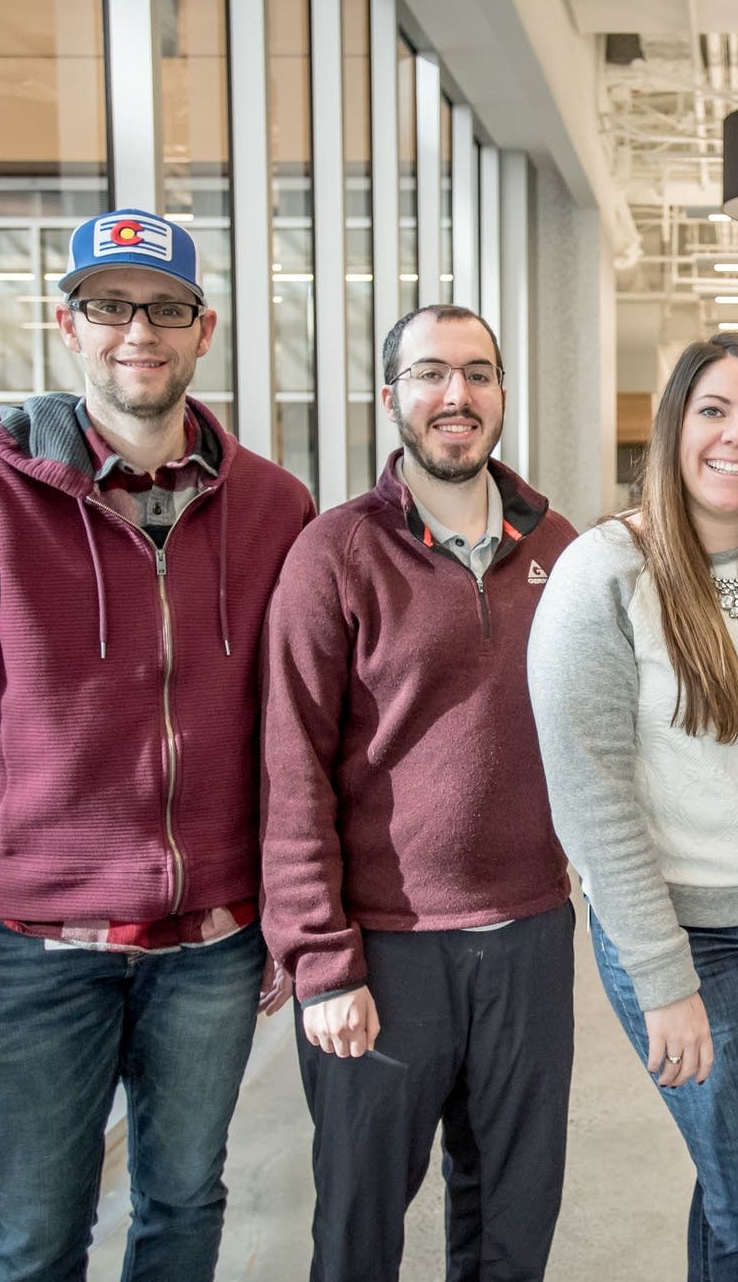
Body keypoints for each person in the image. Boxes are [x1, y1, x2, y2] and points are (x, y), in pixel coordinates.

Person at [0, 207, 314, 1282]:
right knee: (32, 1235)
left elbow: (295, 733)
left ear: (203, 329)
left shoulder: (274, 506)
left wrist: (289, 911)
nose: (138, 332)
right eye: (109, 307)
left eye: (164, 309)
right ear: (64, 324)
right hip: (31, 946)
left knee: (183, 1204)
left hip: (211, 941)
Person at [526, 331, 738, 1282]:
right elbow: (589, 801)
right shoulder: (606, 574)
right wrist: (664, 979)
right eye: (713, 410)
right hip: (691, 935)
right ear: (674, 427)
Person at [261, 303, 578, 1282]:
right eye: (433, 374)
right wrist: (321, 961)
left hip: (527, 936)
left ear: (500, 397)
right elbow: (290, 769)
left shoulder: (557, 546)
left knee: (512, 1230)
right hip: (385, 950)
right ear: (392, 397)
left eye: (478, 374)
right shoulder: (336, 552)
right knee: (358, 1234)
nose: (457, 395)